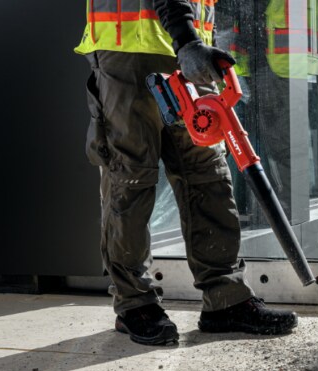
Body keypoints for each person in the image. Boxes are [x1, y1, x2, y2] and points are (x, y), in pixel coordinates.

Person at [75, 0, 297, 346]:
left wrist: (194, 41)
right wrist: (186, 38)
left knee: (208, 174)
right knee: (131, 178)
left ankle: (225, 299)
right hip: (129, 50)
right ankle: (134, 304)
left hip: (188, 52)